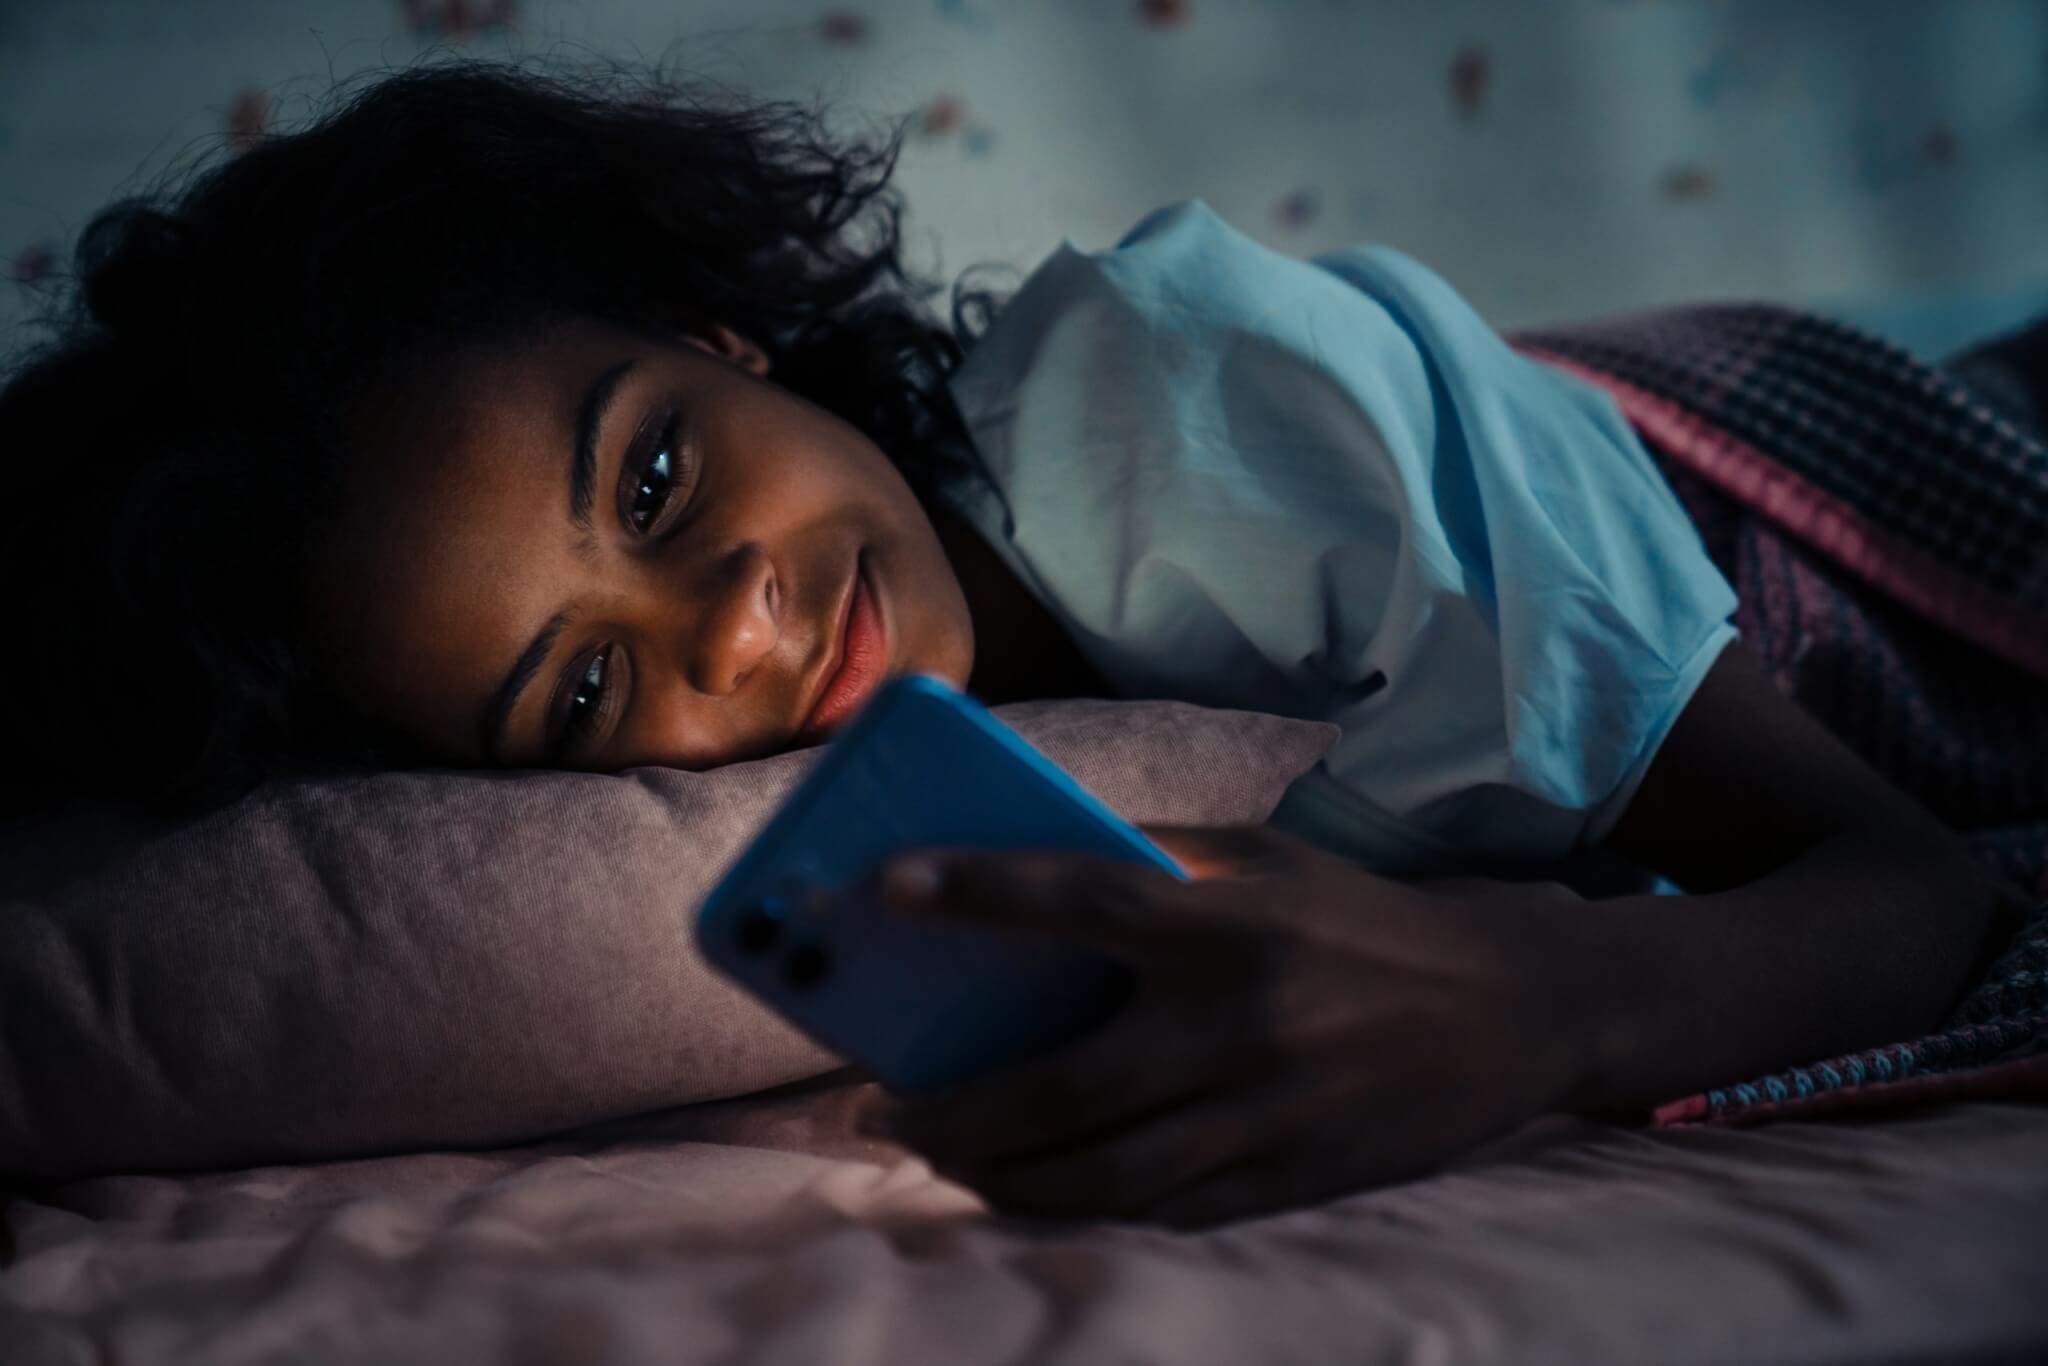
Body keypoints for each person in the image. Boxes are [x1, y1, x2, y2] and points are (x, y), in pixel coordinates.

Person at [0, 63, 2024, 1228]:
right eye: (592, 689)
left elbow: (1906, 884)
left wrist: (1541, 999)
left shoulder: (1187, 402)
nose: (724, 611)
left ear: (723, 335)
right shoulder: (888, 869)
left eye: (653, 481)